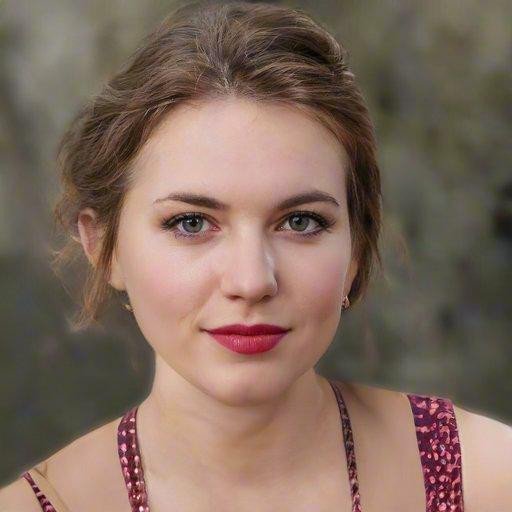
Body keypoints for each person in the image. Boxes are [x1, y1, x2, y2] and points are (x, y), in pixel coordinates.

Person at [1, 1, 511, 511]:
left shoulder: (489, 479)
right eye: (191, 223)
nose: (251, 281)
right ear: (104, 247)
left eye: (301, 222)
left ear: (356, 247)